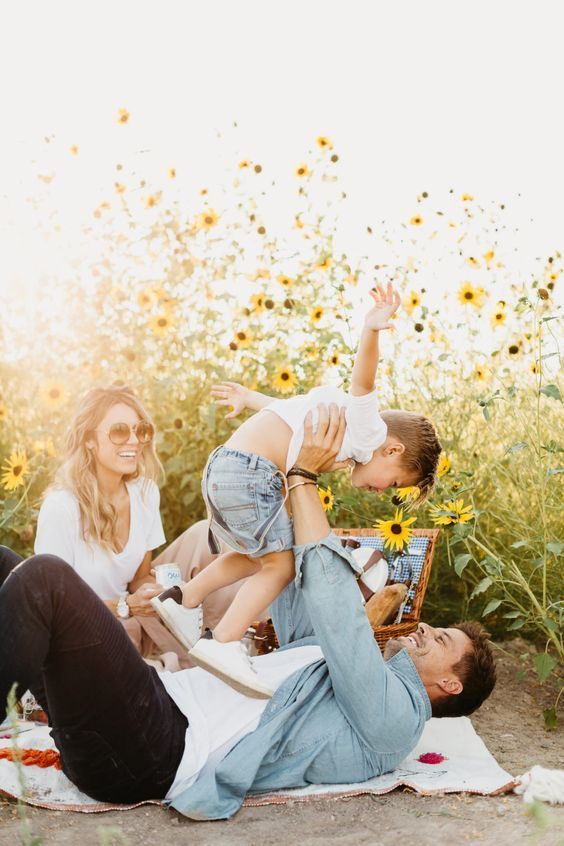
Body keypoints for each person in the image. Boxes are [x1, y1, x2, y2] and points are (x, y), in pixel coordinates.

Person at [0, 404, 496, 819]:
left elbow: (342, 617)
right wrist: (283, 468)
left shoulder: (396, 719)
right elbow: (298, 576)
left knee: (46, 579)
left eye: (444, 641)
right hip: (142, 706)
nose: (428, 628)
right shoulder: (330, 661)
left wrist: (303, 477)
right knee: (8, 565)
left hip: (156, 749)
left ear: (449, 685)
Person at [152, 283, 442, 696]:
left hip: (227, 468)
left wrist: (250, 397)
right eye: (393, 481)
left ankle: (183, 597)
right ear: (391, 448)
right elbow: (364, 381)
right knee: (282, 565)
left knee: (256, 556)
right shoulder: (368, 427)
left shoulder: (336, 414)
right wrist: (371, 330)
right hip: (253, 475)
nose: (382, 490)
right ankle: (225, 643)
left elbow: (286, 410)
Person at [29, 385, 241, 671]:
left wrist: (158, 591)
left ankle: (225, 643)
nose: (133, 441)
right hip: (84, 629)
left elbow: (138, 576)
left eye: (140, 431)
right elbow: (54, 608)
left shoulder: (144, 492)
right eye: (119, 431)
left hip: (132, 614)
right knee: (122, 639)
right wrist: (125, 605)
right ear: (89, 440)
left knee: (208, 535)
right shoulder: (62, 507)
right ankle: (177, 660)